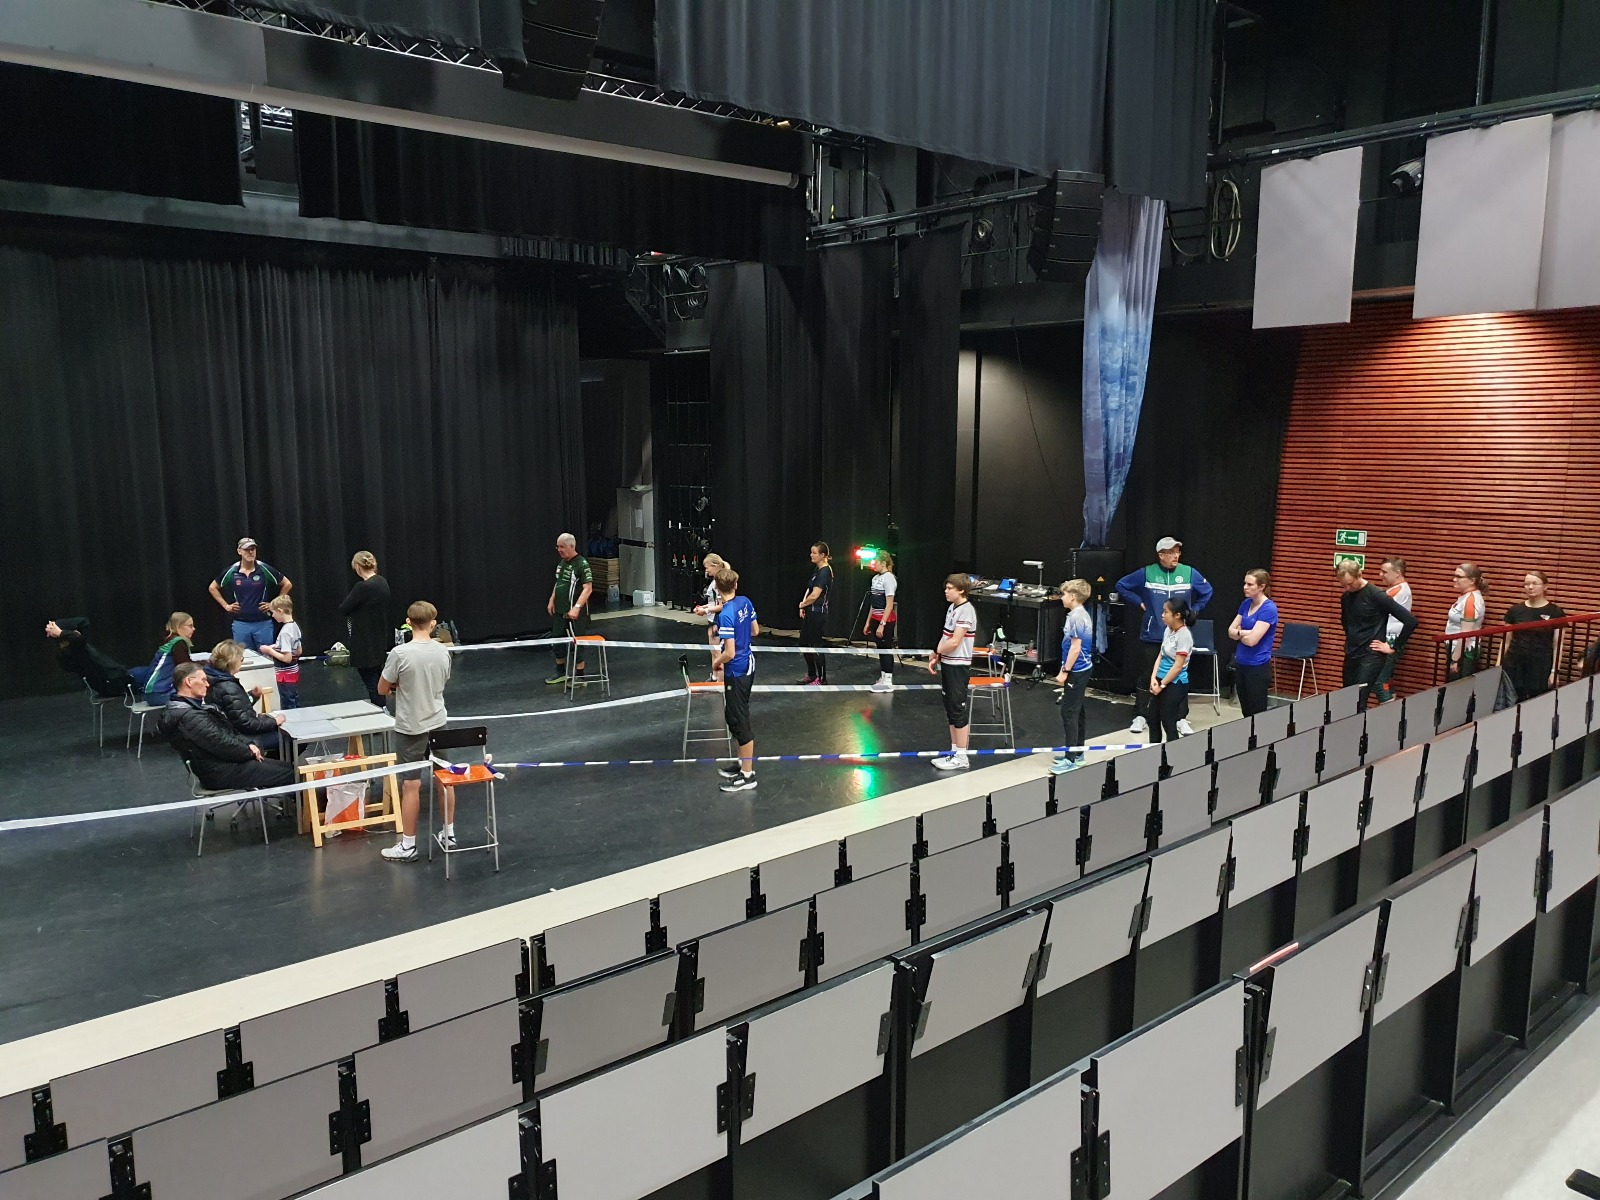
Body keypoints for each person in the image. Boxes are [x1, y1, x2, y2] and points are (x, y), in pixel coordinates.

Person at [379, 601, 453, 863]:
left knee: (411, 785)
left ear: (408, 622)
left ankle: (408, 845)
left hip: (411, 727)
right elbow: (442, 681)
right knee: (445, 778)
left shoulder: (399, 653)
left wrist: (399, 686)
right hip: (438, 723)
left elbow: (382, 688)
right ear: (433, 623)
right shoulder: (443, 651)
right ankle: (449, 834)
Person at [1117, 537, 1214, 738]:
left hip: (1177, 634)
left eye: (1178, 551)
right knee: (1147, 675)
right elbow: (1121, 585)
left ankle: (1181, 718)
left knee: (1179, 675)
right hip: (1153, 633)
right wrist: (1139, 602)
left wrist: (1194, 610)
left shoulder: (1189, 572)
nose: (1176, 555)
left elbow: (1207, 591)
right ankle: (1141, 714)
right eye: (1171, 552)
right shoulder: (1147, 572)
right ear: (1161, 555)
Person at [160, 662, 294, 791]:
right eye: (203, 680)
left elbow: (225, 734)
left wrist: (248, 744)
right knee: (294, 773)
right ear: (189, 682)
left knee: (290, 768)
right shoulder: (190, 717)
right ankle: (298, 806)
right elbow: (221, 743)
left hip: (221, 766)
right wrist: (249, 751)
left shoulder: (187, 710)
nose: (207, 684)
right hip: (221, 772)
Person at [1336, 559, 1418, 705]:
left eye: (1350, 583)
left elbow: (1410, 621)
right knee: (1347, 699)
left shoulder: (1376, 595)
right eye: (1344, 585)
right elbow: (1346, 622)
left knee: (1359, 699)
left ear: (1359, 575)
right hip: (1352, 651)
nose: (1348, 588)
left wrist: (1393, 646)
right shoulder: (1346, 596)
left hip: (1371, 653)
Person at [712, 567, 761, 793]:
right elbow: (755, 630)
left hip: (737, 671)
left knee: (739, 721)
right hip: (747, 664)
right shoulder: (745, 602)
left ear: (717, 588)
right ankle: (743, 763)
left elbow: (729, 652)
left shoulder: (726, 615)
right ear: (735, 585)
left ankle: (747, 776)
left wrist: (716, 662)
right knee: (733, 716)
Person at [927, 573, 979, 771]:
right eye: (946, 588)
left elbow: (955, 641)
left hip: (958, 666)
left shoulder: (967, 611)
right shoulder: (952, 608)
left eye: (950, 588)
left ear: (962, 591)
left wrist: (936, 651)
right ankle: (954, 751)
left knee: (957, 709)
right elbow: (946, 637)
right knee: (950, 709)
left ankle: (962, 756)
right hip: (948, 663)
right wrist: (937, 657)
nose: (946, 591)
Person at [203, 639, 285, 754]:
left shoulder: (213, 680)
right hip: (241, 737)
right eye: (241, 659)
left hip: (230, 732)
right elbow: (246, 724)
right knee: (288, 738)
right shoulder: (229, 687)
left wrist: (252, 696)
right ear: (232, 661)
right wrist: (273, 721)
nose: (241, 662)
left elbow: (235, 709)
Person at [209, 538, 292, 651]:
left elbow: (287, 584)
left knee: (266, 656)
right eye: (246, 549)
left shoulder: (264, 569)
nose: (250, 552)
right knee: (242, 657)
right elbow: (213, 587)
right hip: (241, 623)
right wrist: (226, 606)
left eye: (253, 549)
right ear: (239, 551)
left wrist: (274, 604)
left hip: (263, 622)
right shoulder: (232, 571)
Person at [1500, 571, 1567, 699]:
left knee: (1537, 700)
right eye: (1527, 584)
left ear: (1545, 586)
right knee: (1511, 699)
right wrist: (1498, 666)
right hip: (1515, 663)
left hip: (1540, 665)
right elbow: (1506, 641)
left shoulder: (1555, 612)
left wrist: (1554, 671)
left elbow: (1558, 645)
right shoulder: (1515, 610)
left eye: (1535, 583)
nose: (1530, 587)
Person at [1051, 579, 1094, 774]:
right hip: (1080, 669)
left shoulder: (1077, 617)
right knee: (1078, 710)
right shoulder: (1077, 614)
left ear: (1073, 596)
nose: (1062, 597)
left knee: (1069, 712)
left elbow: (1075, 648)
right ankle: (1077, 753)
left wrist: (1064, 671)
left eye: (1064, 594)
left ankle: (1071, 759)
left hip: (1077, 670)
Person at [339, 550, 392, 708]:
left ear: (357, 567)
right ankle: (382, 707)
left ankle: (380, 710)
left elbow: (344, 608)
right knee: (377, 677)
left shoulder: (362, 587)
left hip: (364, 641)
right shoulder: (382, 582)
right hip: (378, 637)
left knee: (371, 683)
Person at [1227, 569, 1278, 718]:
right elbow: (1230, 631)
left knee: (1257, 712)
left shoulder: (1268, 608)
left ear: (1261, 587)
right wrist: (1247, 632)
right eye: (1245, 583)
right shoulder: (1246, 603)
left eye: (1250, 584)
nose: (1245, 587)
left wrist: (1240, 633)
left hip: (1257, 666)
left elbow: (1252, 641)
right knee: (1246, 711)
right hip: (1241, 663)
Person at [545, 533, 594, 685]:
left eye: (563, 547)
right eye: (558, 547)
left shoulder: (582, 564)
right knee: (557, 640)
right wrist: (552, 599)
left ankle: (580, 676)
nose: (559, 550)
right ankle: (560, 673)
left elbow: (588, 588)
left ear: (572, 546)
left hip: (575, 614)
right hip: (560, 611)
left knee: (577, 642)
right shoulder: (562, 563)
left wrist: (576, 608)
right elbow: (559, 583)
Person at [45, 618, 134, 697]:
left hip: (115, 682)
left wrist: (60, 631)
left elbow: (84, 623)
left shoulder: (72, 649)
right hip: (117, 683)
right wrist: (60, 632)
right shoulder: (75, 650)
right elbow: (81, 630)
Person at [1148, 598, 1195, 743]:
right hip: (1160, 679)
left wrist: (1162, 685)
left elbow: (1178, 666)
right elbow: (1160, 655)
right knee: (1152, 718)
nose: (1162, 615)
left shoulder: (1184, 635)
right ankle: (1154, 751)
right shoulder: (1168, 630)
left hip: (1175, 683)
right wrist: (1153, 678)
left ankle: (1173, 754)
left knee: (1168, 721)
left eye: (1165, 612)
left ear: (1177, 615)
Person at [130, 612, 195, 706]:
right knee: (198, 690)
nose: (193, 629)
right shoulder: (178, 643)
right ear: (179, 626)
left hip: (153, 694)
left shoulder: (169, 641)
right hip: (160, 694)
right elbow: (187, 668)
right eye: (190, 626)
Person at [1372, 558, 1413, 704]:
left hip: (1390, 640)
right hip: (1389, 638)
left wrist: (1391, 646)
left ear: (1397, 573)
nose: (1380, 575)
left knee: (1379, 682)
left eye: (1384, 572)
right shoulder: (1395, 589)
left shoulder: (1398, 590)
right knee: (1387, 679)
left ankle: (1388, 714)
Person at [798, 541, 834, 685]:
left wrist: (802, 604)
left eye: (814, 553)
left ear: (822, 555)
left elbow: (815, 595)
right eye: (811, 552)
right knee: (804, 643)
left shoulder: (825, 571)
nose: (811, 555)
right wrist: (803, 605)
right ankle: (812, 674)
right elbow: (810, 589)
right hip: (810, 611)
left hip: (818, 612)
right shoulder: (817, 569)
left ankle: (822, 678)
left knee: (815, 644)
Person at [1444, 562, 1488, 679]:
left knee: (1458, 687)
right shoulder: (1466, 597)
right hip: (1457, 650)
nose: (1454, 579)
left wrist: (1455, 659)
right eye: (1454, 576)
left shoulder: (1471, 600)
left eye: (1459, 577)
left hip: (1464, 653)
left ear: (1472, 580)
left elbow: (1466, 634)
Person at [259, 596, 303, 709]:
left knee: (287, 701)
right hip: (293, 672)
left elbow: (287, 658)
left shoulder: (285, 632)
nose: (272, 615)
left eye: (273, 612)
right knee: (293, 698)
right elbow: (298, 651)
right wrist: (276, 647)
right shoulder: (294, 626)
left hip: (285, 674)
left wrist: (269, 651)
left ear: (280, 611)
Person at [865, 551, 899, 694]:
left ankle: (888, 680)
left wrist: (882, 624)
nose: (874, 565)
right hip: (875, 618)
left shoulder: (889, 578)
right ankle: (883, 677)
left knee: (886, 649)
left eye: (876, 562)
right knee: (880, 649)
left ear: (883, 564)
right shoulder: (875, 579)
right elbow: (873, 604)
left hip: (885, 620)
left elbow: (889, 604)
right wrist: (868, 622)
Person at [693, 553, 728, 683]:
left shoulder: (720, 582)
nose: (706, 571)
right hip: (712, 620)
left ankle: (721, 681)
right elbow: (714, 602)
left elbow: (722, 605)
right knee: (713, 650)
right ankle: (715, 677)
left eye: (708, 568)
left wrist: (705, 610)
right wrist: (703, 607)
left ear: (715, 565)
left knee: (718, 652)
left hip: (718, 621)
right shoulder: (715, 581)